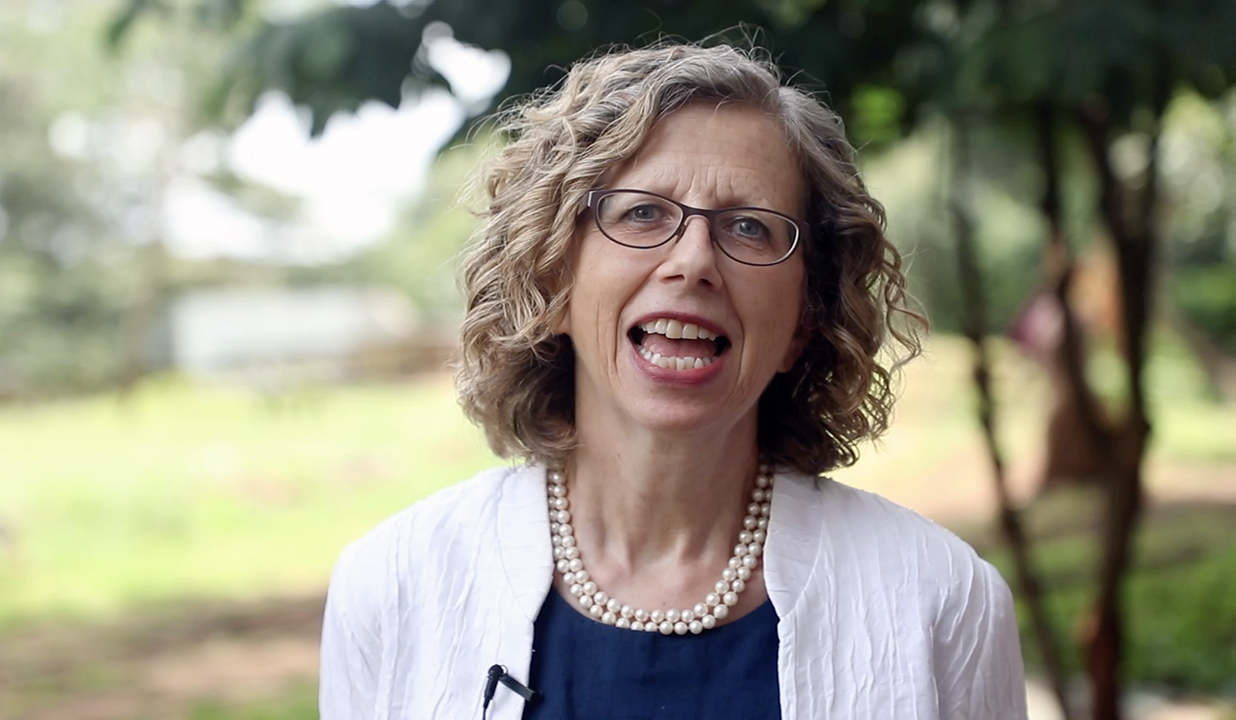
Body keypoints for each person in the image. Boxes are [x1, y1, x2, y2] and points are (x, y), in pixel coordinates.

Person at [320, 42, 1027, 720]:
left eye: (749, 227)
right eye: (642, 213)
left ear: (806, 319)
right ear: (553, 279)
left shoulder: (939, 599)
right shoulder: (394, 586)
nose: (693, 263)